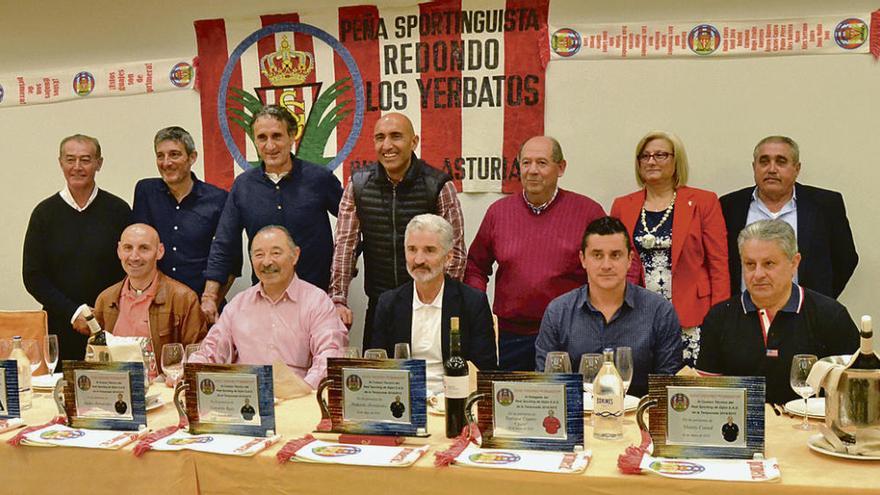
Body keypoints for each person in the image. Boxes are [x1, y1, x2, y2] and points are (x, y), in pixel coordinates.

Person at [465, 136, 611, 371]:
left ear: (560, 167)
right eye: (526, 163)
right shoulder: (498, 213)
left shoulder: (587, 212)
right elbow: (475, 266)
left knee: (571, 402)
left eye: (542, 163)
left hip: (571, 333)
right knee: (515, 404)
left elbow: (613, 261)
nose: (532, 171)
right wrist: (478, 312)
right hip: (512, 336)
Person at [330, 113, 465, 346]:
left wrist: (442, 302)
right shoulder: (358, 185)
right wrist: (338, 298)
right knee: (378, 378)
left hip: (429, 306)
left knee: (431, 373)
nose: (387, 145)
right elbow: (345, 246)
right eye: (380, 137)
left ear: (414, 142)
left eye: (396, 137)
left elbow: (456, 253)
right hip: (380, 303)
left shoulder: (439, 185)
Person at [202, 105, 343, 322]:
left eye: (277, 136)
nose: (270, 146)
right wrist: (210, 295)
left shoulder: (319, 179)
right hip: (264, 300)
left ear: (292, 136)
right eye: (262, 138)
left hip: (316, 301)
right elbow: (224, 242)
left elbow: (353, 226)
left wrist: (341, 276)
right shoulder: (243, 186)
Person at [696, 219, 859, 404]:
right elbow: (706, 397)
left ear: (794, 263)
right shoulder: (719, 318)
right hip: (741, 430)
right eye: (750, 264)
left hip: (810, 428)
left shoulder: (830, 316)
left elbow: (854, 391)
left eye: (769, 264)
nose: (758, 274)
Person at [611, 131, 729, 367]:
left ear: (676, 160)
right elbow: (616, 261)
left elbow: (718, 264)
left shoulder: (703, 201)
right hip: (638, 314)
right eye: (644, 156)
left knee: (687, 388)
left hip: (692, 316)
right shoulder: (623, 205)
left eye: (660, 155)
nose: (651, 161)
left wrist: (720, 318)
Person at [535, 216, 683, 397]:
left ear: (629, 260)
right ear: (583, 259)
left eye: (615, 255)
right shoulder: (558, 312)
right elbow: (547, 386)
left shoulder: (660, 312)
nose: (606, 265)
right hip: (576, 419)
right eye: (597, 255)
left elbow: (667, 388)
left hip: (640, 420)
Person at [191, 225, 347, 389]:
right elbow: (211, 351)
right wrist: (188, 372)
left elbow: (330, 355)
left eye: (276, 253)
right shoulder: (238, 304)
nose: (266, 262)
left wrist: (304, 390)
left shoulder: (317, 301)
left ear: (295, 256)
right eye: (259, 255)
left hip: (298, 401)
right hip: (246, 401)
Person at [23, 134, 131, 361]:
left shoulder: (118, 210)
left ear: (99, 163)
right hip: (60, 328)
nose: (77, 167)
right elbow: (33, 276)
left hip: (111, 326)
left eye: (85, 159)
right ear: (60, 162)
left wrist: (101, 311)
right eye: (70, 159)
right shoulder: (44, 214)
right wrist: (74, 312)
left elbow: (130, 268)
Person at [720, 135, 858, 299]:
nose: (772, 169)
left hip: (807, 315)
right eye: (764, 161)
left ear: (797, 169)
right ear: (754, 167)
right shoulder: (729, 206)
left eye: (781, 161)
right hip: (745, 313)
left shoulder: (826, 205)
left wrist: (820, 301)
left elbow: (845, 259)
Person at [372, 215, 496, 394]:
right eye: (412, 249)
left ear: (449, 258)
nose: (418, 260)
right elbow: (377, 368)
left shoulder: (472, 302)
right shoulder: (388, 303)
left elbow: (484, 371)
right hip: (403, 401)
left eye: (429, 250)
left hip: (455, 400)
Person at [132, 126, 234, 302]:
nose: (166, 162)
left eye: (174, 154)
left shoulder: (218, 199)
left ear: (192, 157)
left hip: (202, 304)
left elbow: (230, 261)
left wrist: (210, 305)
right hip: (155, 304)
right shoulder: (146, 192)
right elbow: (138, 251)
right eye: (160, 156)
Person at [93, 224, 207, 361]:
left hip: (164, 382)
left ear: (160, 251)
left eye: (144, 248)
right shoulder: (105, 299)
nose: (134, 257)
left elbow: (196, 358)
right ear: (119, 251)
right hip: (115, 382)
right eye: (128, 248)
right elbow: (95, 358)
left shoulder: (184, 299)